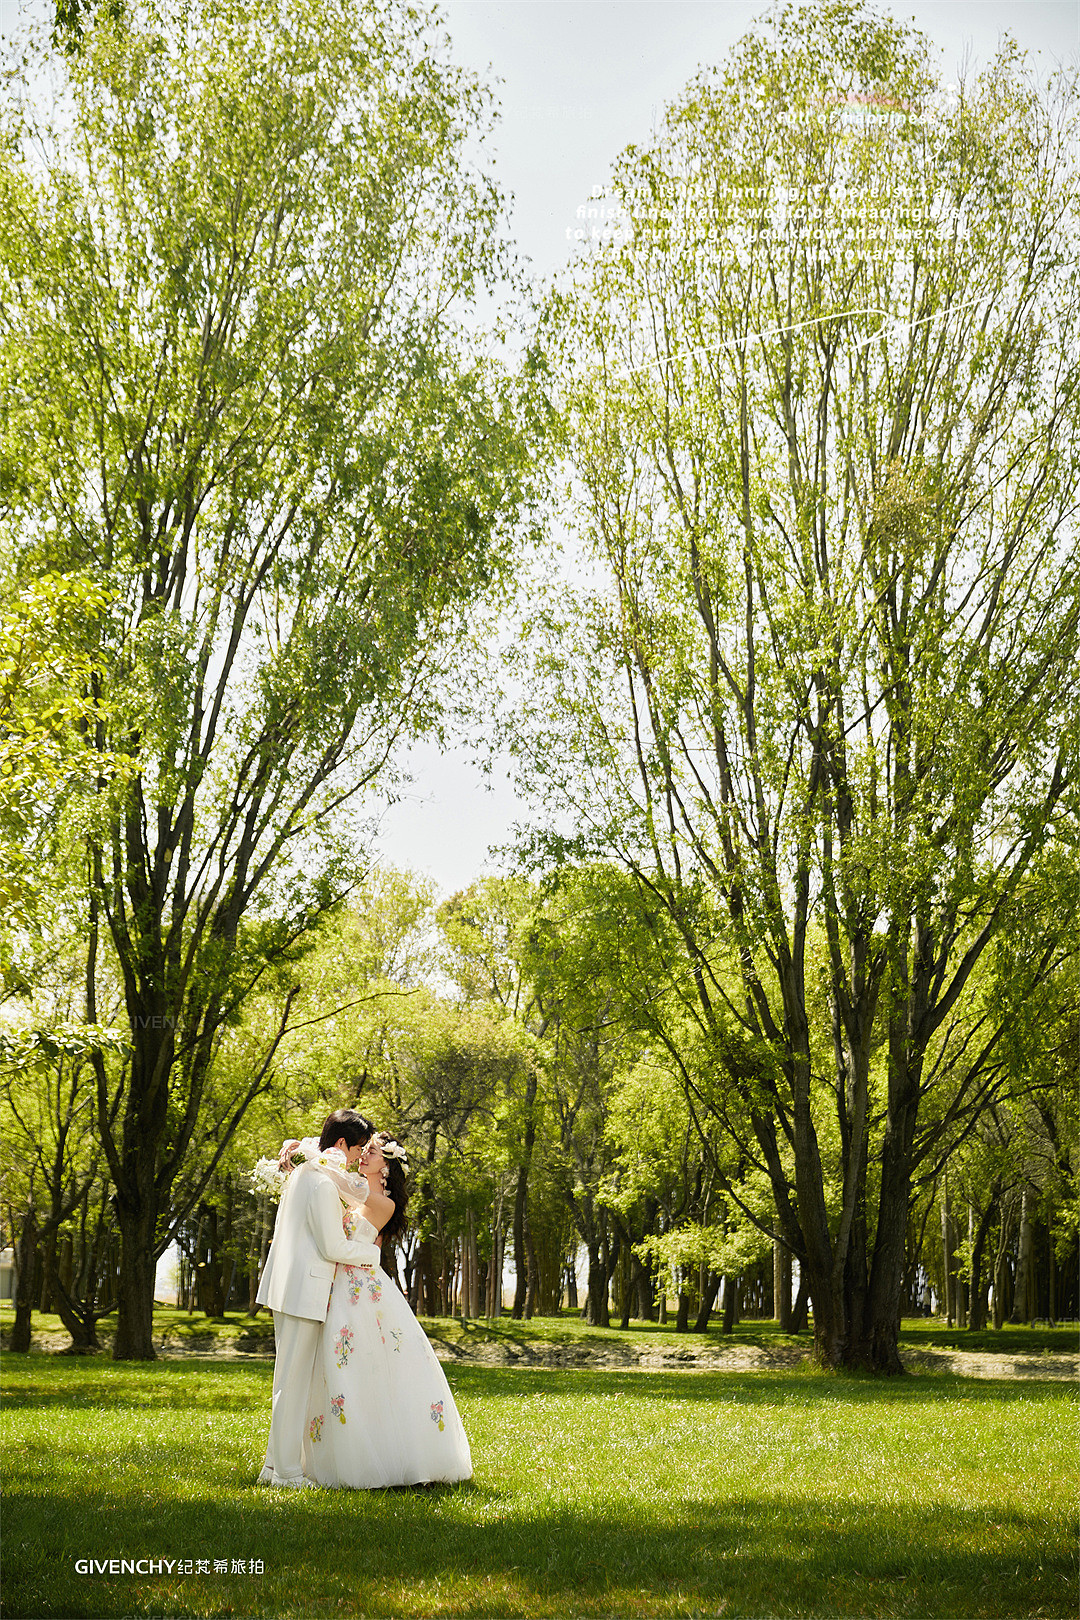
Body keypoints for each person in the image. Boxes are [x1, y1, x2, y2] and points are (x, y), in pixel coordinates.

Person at [303, 1133, 473, 1489]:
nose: (363, 1156)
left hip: (364, 1289)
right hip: (341, 1285)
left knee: (371, 1365)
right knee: (343, 1367)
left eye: (372, 1152)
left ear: (388, 1165)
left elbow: (335, 1184)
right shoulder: (355, 1195)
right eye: (363, 1151)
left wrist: (308, 1157)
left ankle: (388, 1458)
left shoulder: (381, 1203)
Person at [255, 1108, 382, 1488]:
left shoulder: (305, 1173)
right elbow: (332, 1245)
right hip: (304, 1290)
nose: (361, 1157)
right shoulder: (323, 1183)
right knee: (292, 1385)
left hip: (289, 1288)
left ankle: (272, 1466)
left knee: (287, 1381)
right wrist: (373, 1254)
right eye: (359, 1149)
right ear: (342, 1143)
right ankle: (288, 1473)